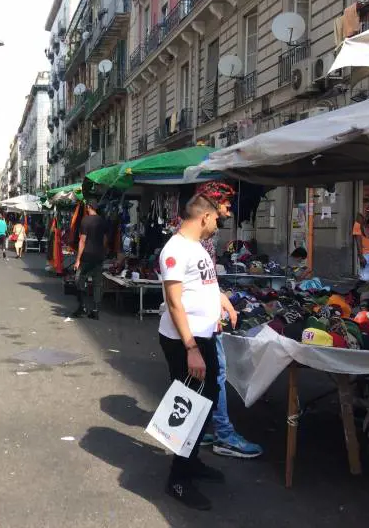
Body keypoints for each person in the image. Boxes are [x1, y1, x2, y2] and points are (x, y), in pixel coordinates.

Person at [158, 192, 236, 511]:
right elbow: (174, 302)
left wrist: (224, 302)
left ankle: (191, 462)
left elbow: (206, 283)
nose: (218, 224)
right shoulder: (175, 250)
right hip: (185, 341)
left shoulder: (196, 248)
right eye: (217, 218)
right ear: (204, 217)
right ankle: (178, 479)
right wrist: (191, 347)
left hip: (202, 336)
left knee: (206, 402)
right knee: (190, 407)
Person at [193, 183, 263, 462]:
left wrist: (221, 298)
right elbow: (186, 287)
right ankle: (223, 434)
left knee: (207, 376)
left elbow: (206, 278)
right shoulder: (196, 238)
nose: (229, 210)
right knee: (216, 374)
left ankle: (208, 427)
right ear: (211, 206)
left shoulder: (202, 236)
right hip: (201, 320)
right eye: (226, 204)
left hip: (203, 316)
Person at [73, 200, 108, 320]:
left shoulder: (85, 220)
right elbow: (104, 240)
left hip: (87, 255)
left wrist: (77, 260)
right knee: (97, 283)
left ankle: (82, 306)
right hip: (98, 256)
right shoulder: (102, 221)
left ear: (88, 207)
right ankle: (95, 310)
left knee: (79, 279)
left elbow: (82, 240)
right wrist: (102, 252)